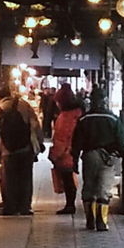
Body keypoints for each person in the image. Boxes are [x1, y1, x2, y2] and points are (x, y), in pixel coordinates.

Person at [71, 87, 124, 231]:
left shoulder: (84, 119)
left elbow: (76, 142)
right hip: (108, 157)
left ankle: (90, 220)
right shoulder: (113, 118)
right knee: (104, 189)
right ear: (105, 100)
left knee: (89, 186)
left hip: (89, 156)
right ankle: (101, 222)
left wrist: (75, 160)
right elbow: (120, 140)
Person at [0, 84, 41, 216]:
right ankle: (24, 207)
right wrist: (38, 143)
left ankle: (10, 207)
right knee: (25, 178)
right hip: (25, 149)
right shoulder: (24, 106)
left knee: (9, 180)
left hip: (8, 151)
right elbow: (35, 125)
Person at [48, 84, 85, 217]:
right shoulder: (76, 114)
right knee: (69, 178)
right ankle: (70, 204)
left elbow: (62, 138)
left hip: (65, 153)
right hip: (70, 152)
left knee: (68, 179)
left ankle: (70, 205)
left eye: (58, 102)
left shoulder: (66, 117)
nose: (57, 104)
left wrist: (55, 154)